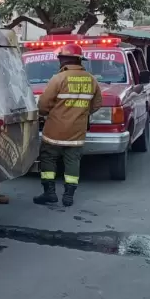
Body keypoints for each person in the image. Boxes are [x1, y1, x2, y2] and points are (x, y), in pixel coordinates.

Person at [34, 44, 103, 207]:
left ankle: (49, 193)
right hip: (77, 131)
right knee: (73, 161)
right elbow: (97, 104)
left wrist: (46, 114)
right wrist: (80, 113)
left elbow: (43, 105)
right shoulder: (91, 79)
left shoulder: (58, 78)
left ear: (63, 60)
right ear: (79, 60)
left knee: (48, 158)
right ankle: (68, 196)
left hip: (54, 130)